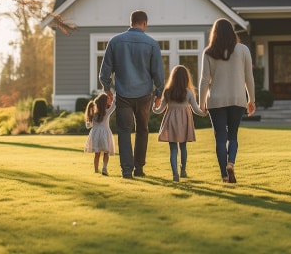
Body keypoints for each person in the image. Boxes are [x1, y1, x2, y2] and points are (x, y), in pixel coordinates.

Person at [99, 10, 165, 179]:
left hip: (123, 94)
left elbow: (105, 71)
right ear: (144, 23)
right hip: (144, 95)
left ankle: (126, 171)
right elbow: (158, 72)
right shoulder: (152, 44)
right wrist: (159, 94)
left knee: (124, 130)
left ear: (131, 22)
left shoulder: (115, 41)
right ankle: (139, 168)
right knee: (142, 130)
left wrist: (107, 90)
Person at [199, 18, 256, 184]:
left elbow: (204, 80)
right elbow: (249, 78)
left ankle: (224, 175)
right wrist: (251, 99)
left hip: (215, 101)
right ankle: (231, 163)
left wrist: (201, 103)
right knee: (233, 135)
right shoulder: (243, 50)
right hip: (237, 99)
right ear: (232, 32)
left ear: (214, 33)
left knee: (220, 138)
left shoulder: (208, 52)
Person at [153, 65, 207, 182]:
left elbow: (160, 110)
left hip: (171, 121)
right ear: (185, 78)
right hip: (184, 122)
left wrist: (154, 107)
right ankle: (183, 171)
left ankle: (175, 174)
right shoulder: (188, 92)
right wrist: (204, 113)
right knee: (183, 147)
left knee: (173, 149)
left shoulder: (168, 92)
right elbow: (195, 109)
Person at [84, 93, 116, 176]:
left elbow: (88, 126)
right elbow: (115, 104)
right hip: (105, 134)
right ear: (105, 102)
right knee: (106, 152)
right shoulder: (107, 112)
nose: (109, 100)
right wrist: (115, 94)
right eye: (108, 100)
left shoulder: (94, 114)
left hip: (96, 135)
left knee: (97, 154)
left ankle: (96, 170)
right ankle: (104, 168)